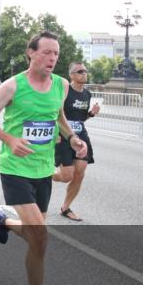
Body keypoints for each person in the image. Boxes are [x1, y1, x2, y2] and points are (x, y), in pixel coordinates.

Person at [0, 31, 87, 285]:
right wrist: (10, 139)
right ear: (31, 53)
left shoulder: (61, 86)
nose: (53, 58)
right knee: (41, 236)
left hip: (42, 170)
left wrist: (72, 138)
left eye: (56, 53)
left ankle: (4, 220)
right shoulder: (13, 85)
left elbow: (59, 118)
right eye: (47, 53)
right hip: (14, 169)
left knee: (34, 235)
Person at [51, 62, 100, 220]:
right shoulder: (65, 91)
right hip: (63, 135)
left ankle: (65, 208)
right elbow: (55, 114)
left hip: (80, 135)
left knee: (80, 173)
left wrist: (91, 114)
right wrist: (56, 133)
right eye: (80, 71)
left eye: (85, 71)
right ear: (71, 75)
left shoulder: (87, 94)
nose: (84, 73)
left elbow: (81, 118)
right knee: (67, 176)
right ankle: (43, 174)